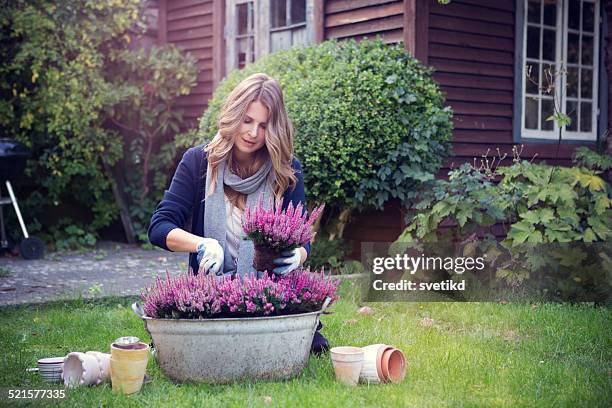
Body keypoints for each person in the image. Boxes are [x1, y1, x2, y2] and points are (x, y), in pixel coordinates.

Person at [148, 73, 329, 354]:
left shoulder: (286, 170)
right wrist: (202, 244)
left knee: (308, 345)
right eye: (247, 120)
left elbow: (302, 239)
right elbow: (159, 227)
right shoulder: (198, 162)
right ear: (234, 115)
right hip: (211, 294)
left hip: (268, 295)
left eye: (263, 125)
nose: (253, 133)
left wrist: (298, 256)